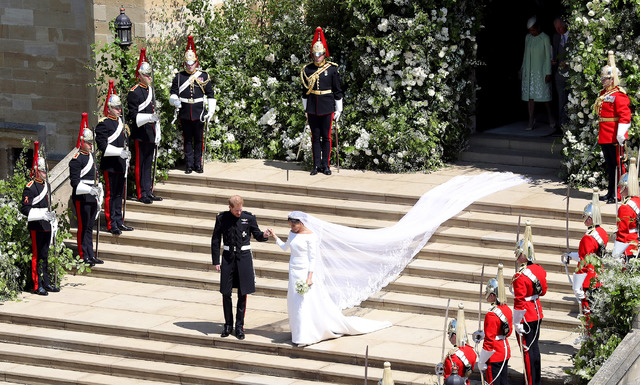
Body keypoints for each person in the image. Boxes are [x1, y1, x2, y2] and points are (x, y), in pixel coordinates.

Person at [269, 213, 391, 346]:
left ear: (302, 223)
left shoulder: (311, 236)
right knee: (295, 300)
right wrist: (274, 236)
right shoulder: (292, 233)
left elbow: (313, 258)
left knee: (305, 301)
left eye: (294, 225)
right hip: (294, 271)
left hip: (305, 271)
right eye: (290, 225)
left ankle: (307, 333)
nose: (292, 227)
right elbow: (286, 247)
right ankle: (299, 331)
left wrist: (309, 277)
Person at [210, 195, 271, 340]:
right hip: (228, 258)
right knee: (226, 292)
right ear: (230, 207)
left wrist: (264, 235)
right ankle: (228, 325)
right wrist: (216, 261)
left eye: (240, 209)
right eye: (236, 210)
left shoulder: (248, 218)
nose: (239, 212)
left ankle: (239, 326)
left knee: (243, 293)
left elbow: (257, 234)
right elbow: (216, 239)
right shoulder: (221, 218)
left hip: (243, 258)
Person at [562, 188, 609, 328]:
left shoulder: (587, 238)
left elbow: (584, 263)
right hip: (599, 275)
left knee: (589, 315)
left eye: (584, 217)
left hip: (589, 280)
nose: (584, 220)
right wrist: (571, 255)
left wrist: (577, 287)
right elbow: (590, 255)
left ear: (589, 218)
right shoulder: (602, 233)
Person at [300, 27, 344, 175]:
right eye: (315, 54)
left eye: (319, 54)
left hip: (327, 107)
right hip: (312, 107)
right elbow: (305, 92)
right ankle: (316, 165)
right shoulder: (307, 70)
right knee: (315, 138)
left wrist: (339, 109)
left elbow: (337, 91)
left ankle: (326, 165)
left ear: (324, 54)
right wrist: (306, 109)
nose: (317, 56)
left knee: (326, 137)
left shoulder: (331, 69)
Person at [169, 36, 216, 174]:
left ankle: (198, 164)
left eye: (192, 63)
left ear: (196, 63)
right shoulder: (178, 77)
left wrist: (210, 111)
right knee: (187, 140)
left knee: (199, 140)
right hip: (185, 112)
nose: (190, 66)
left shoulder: (204, 76)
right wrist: (174, 100)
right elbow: (173, 93)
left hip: (199, 112)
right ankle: (189, 165)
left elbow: (210, 95)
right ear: (185, 64)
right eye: (188, 63)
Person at [20, 142, 59, 295]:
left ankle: (46, 282)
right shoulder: (30, 187)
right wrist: (42, 214)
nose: (45, 174)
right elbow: (25, 208)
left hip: (47, 224)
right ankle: (37, 285)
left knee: (45, 254)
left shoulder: (46, 186)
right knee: (37, 255)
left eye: (45, 172)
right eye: (42, 171)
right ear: (36, 171)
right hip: (36, 225)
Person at [511, 222, 547, 385]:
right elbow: (543, 291)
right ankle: (536, 380)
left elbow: (519, 301)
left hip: (525, 316)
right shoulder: (539, 270)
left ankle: (531, 382)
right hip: (537, 312)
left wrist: (517, 322)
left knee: (527, 350)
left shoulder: (519, 276)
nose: (517, 257)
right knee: (535, 349)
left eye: (518, 254)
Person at [594, 50, 632, 204]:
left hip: (615, 135)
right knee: (610, 166)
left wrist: (622, 132)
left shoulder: (619, 94)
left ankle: (618, 193)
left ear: (612, 79)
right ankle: (610, 192)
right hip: (605, 135)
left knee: (619, 165)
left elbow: (625, 114)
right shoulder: (604, 93)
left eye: (606, 78)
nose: (603, 81)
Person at [96, 91, 134, 235]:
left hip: (121, 164)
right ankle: (111, 223)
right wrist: (120, 153)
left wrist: (126, 157)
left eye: (120, 108)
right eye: (116, 108)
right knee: (111, 195)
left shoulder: (121, 123)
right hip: (111, 165)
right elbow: (102, 146)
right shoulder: (103, 124)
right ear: (110, 108)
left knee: (119, 194)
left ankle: (119, 220)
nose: (119, 110)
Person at [127, 52, 162, 204]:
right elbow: (134, 116)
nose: (149, 77)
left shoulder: (150, 90)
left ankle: (149, 190)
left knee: (149, 163)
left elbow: (153, 111)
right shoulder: (134, 92)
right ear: (140, 75)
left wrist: (157, 129)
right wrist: (149, 118)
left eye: (150, 75)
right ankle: (141, 193)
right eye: (146, 75)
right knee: (141, 165)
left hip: (151, 133)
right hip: (141, 133)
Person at [69, 122, 103, 266]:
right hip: (82, 197)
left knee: (90, 227)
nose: (90, 145)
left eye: (91, 143)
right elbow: (75, 183)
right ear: (82, 142)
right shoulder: (76, 160)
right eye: (88, 143)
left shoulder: (91, 157)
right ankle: (84, 255)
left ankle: (91, 254)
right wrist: (90, 190)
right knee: (83, 227)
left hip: (92, 196)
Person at [475, 264, 511, 385]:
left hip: (494, 354)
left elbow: (489, 342)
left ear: (492, 295)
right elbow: (507, 332)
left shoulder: (491, 315)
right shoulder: (506, 309)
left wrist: (481, 361)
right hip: (505, 349)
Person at [520, 16, 554, 130]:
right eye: (530, 30)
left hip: (541, 71)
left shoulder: (545, 38)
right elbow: (525, 55)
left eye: (533, 30)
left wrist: (548, 72)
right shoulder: (528, 38)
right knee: (530, 97)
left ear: (538, 28)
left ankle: (551, 118)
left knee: (545, 98)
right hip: (529, 71)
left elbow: (548, 56)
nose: (532, 32)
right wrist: (522, 69)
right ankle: (531, 120)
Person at [438, 304, 477, 385]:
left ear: (455, 335)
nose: (449, 337)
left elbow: (448, 379)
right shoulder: (471, 350)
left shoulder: (452, 356)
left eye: (450, 334)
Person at [611, 159, 640, 262]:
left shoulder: (625, 207)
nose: (619, 188)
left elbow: (623, 233)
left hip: (629, 246)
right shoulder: (638, 201)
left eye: (621, 186)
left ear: (626, 187)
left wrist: (616, 253)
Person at [551, 17, 570, 131]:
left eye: (560, 27)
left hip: (572, 74)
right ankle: (562, 125)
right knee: (561, 100)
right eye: (556, 28)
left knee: (571, 99)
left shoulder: (573, 36)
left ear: (565, 25)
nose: (558, 30)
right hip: (559, 74)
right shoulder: (556, 37)